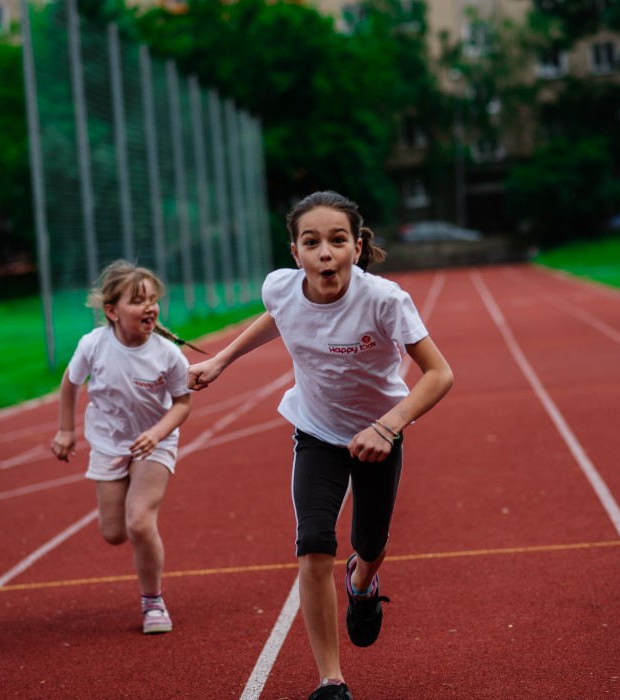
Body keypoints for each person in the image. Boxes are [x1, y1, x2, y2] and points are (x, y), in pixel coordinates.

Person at [188, 191, 454, 700]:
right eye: (311, 242)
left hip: (378, 434)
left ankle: (363, 583)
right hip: (315, 431)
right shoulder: (280, 289)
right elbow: (278, 314)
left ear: (356, 247)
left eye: (336, 241)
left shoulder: (384, 300)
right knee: (313, 544)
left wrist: (388, 425)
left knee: (370, 543)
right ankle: (331, 680)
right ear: (295, 252)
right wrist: (220, 360)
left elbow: (440, 374)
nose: (324, 252)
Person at [51, 260, 193, 635]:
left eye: (153, 299)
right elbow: (70, 385)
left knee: (139, 523)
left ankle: (153, 602)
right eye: (137, 300)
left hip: (154, 441)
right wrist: (66, 431)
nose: (149, 307)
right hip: (108, 441)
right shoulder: (92, 345)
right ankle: (133, 515)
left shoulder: (168, 354)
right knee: (113, 532)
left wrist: (158, 434)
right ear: (112, 311)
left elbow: (182, 404)